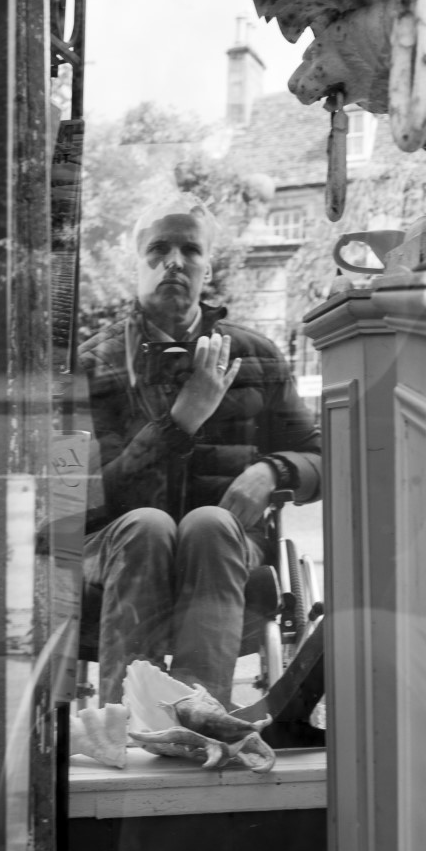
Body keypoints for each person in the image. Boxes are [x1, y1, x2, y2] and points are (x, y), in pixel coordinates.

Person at [78, 203, 320, 706]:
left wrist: (272, 470)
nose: (174, 262)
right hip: (115, 549)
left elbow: (322, 455)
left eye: (190, 250)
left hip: (227, 547)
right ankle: (126, 716)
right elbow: (77, 498)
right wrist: (180, 423)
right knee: (148, 526)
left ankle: (198, 716)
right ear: (137, 264)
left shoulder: (255, 356)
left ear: (207, 268)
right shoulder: (88, 367)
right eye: (158, 249)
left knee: (208, 523)